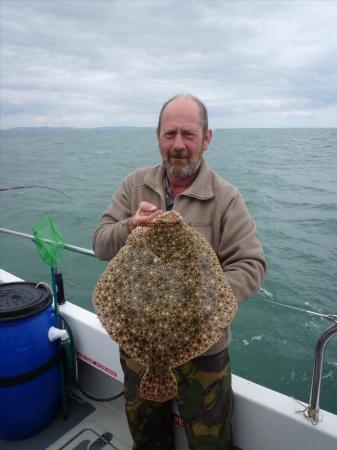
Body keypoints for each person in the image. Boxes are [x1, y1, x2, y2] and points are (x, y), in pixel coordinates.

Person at [93, 95, 267, 450]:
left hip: (204, 353)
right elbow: (100, 243)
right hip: (139, 348)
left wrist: (203, 303)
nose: (178, 145)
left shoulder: (226, 198)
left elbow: (251, 264)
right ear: (157, 136)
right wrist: (130, 227)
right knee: (147, 438)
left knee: (211, 442)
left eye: (188, 134)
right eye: (169, 134)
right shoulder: (134, 186)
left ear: (206, 138)